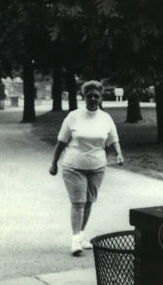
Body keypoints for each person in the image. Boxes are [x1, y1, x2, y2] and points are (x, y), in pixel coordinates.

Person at [49, 80, 124, 256]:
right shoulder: (73, 116)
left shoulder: (105, 118)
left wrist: (119, 154)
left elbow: (113, 139)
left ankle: (81, 235)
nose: (93, 99)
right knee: (78, 202)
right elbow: (61, 142)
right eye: (89, 96)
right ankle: (75, 240)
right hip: (73, 166)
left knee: (89, 200)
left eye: (96, 96)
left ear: (101, 98)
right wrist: (54, 163)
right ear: (84, 97)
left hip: (97, 166)